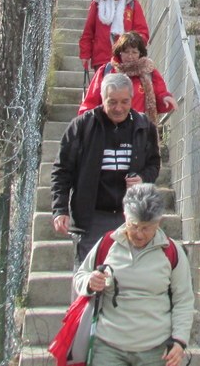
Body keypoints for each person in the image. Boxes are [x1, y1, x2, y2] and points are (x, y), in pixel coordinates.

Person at [74, 183, 194, 366]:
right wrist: (90, 282)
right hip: (108, 346)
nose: (138, 234)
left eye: (146, 228)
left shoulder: (172, 252)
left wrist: (179, 340)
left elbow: (183, 300)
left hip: (156, 349)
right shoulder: (107, 244)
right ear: (125, 217)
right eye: (134, 226)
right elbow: (80, 276)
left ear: (158, 222)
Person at [52, 72, 161, 264]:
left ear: (132, 99)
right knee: (89, 279)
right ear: (102, 99)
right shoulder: (82, 126)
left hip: (131, 217)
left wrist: (143, 178)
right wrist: (60, 209)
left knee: (127, 281)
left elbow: (153, 163)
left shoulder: (144, 127)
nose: (118, 108)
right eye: (112, 102)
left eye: (124, 102)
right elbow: (62, 171)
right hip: (91, 217)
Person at [79, 32, 177, 122]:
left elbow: (160, 95)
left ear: (140, 54)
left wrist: (165, 99)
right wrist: (85, 121)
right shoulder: (107, 71)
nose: (130, 56)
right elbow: (91, 101)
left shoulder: (149, 72)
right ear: (119, 52)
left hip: (139, 130)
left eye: (134, 52)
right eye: (126, 52)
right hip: (109, 130)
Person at [79, 0, 150, 73]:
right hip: (102, 59)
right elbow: (88, 32)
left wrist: (132, 45)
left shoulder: (133, 5)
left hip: (127, 61)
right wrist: (85, 54)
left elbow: (143, 32)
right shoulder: (97, 4)